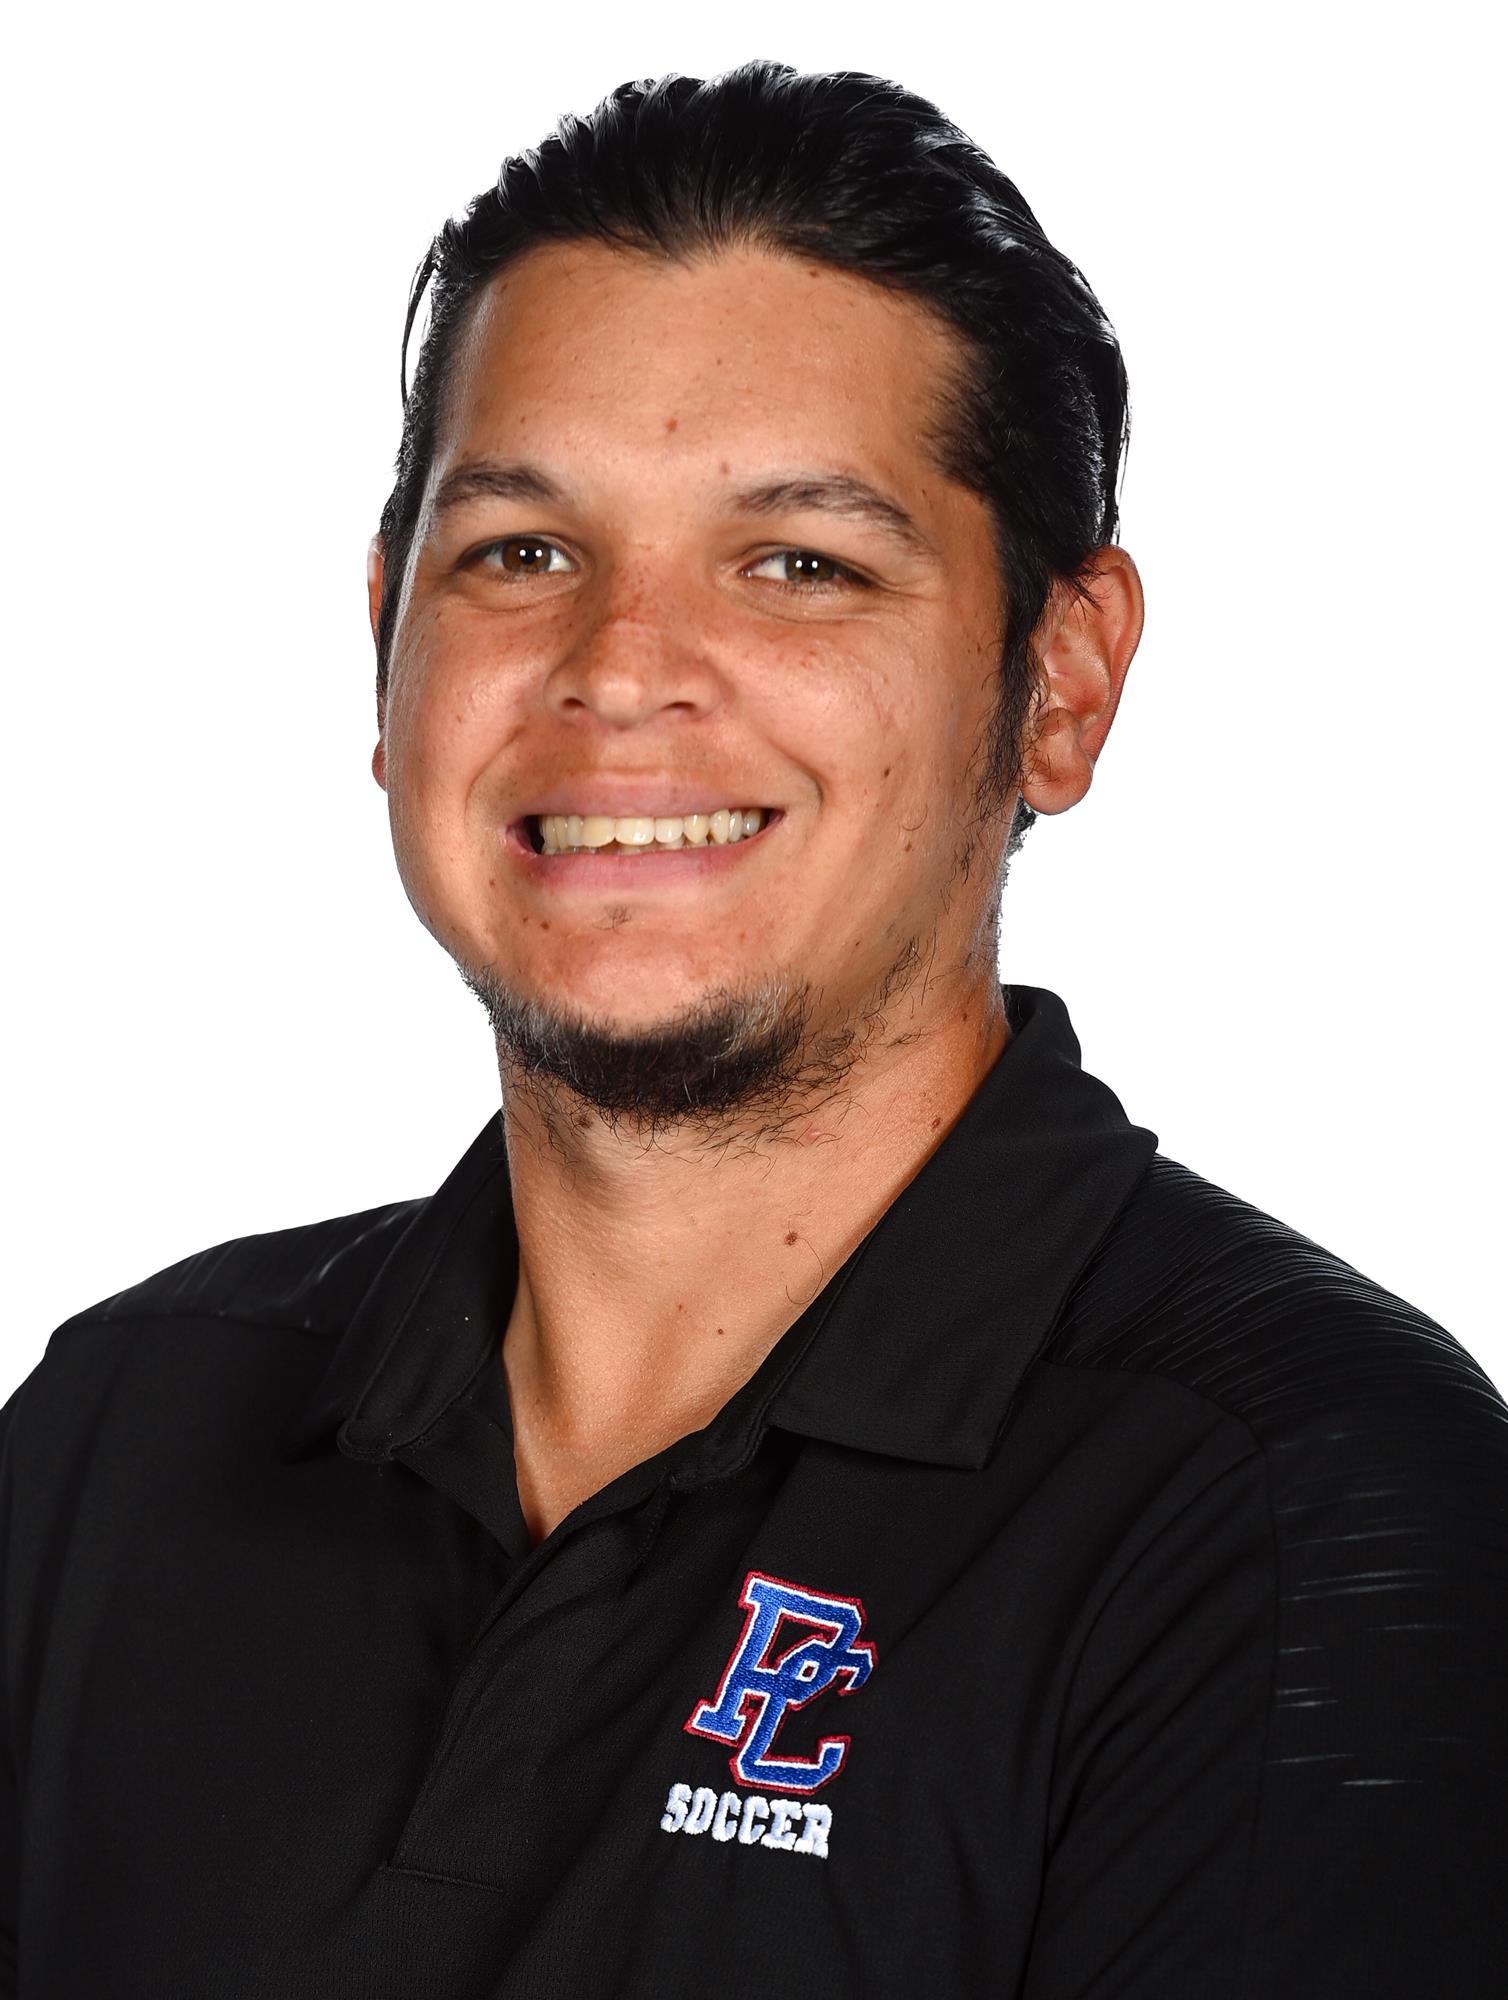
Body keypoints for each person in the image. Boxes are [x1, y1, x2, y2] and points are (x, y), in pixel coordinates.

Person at [1, 60, 1503, 1998]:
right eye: (520, 552)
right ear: (387, 646)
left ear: (1060, 678)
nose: (620, 669)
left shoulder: (1299, 1508)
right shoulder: (125, 1436)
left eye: (799, 562)